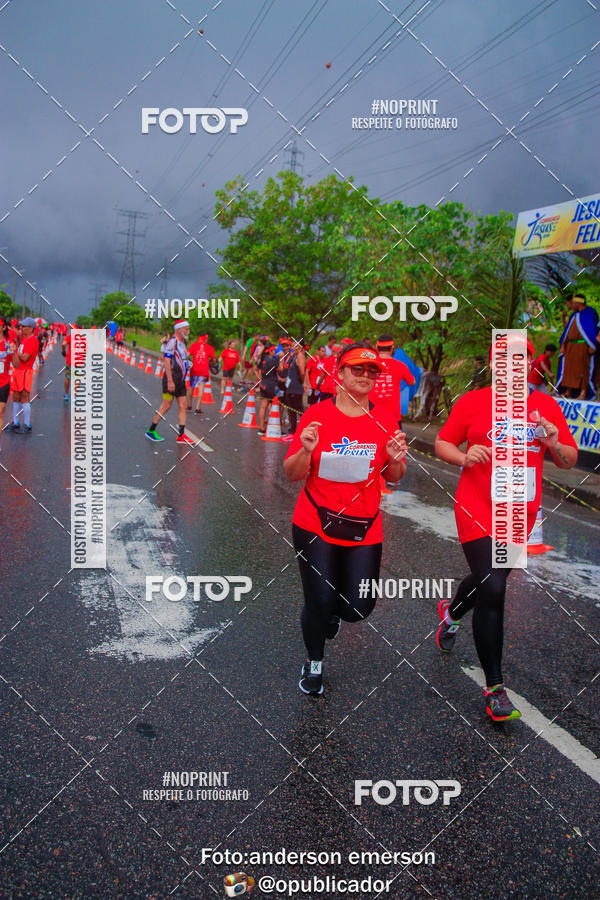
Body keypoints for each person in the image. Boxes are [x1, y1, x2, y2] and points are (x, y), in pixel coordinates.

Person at [434, 335, 578, 722]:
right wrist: (464, 456)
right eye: (503, 359)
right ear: (493, 364)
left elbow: (568, 459)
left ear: (529, 365)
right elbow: (443, 442)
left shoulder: (545, 407)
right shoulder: (473, 402)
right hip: (477, 506)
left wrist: (553, 442)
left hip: (518, 515)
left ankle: (451, 613)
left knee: (488, 581)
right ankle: (495, 689)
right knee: (494, 587)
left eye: (519, 359)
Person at [284, 343, 408, 696]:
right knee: (318, 599)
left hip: (364, 525)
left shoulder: (386, 419)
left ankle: (333, 612)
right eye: (358, 369)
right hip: (314, 520)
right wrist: (306, 450)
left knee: (358, 607)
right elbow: (292, 473)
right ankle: (314, 663)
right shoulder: (317, 415)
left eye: (372, 371)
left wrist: (395, 458)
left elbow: (395, 476)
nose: (366, 376)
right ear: (339, 373)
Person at [145, 320, 194, 444]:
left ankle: (181, 436)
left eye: (188, 329)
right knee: (166, 405)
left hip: (181, 380)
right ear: (179, 330)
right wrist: (170, 381)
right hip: (171, 379)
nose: (188, 331)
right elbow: (167, 361)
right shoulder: (173, 342)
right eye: (186, 329)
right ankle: (151, 431)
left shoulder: (182, 343)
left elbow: (180, 359)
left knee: (183, 405)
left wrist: (187, 363)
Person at [556, 293, 599, 399]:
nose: (572, 305)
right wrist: (563, 345)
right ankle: (568, 391)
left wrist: (592, 344)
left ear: (578, 302)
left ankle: (583, 393)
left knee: (583, 369)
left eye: (573, 302)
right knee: (569, 369)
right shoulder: (574, 315)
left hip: (583, 345)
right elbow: (567, 331)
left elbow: (592, 331)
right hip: (571, 346)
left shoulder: (590, 313)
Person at [370, 335, 416, 427]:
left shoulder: (370, 364)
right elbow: (412, 382)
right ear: (392, 348)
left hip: (371, 415)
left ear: (377, 347)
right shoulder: (400, 366)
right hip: (393, 417)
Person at [8, 317, 39, 433]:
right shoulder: (24, 340)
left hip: (26, 371)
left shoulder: (32, 340)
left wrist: (16, 351)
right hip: (18, 371)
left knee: (24, 397)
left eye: (25, 326)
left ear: (31, 328)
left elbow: (25, 357)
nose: (22, 328)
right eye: (22, 326)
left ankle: (27, 424)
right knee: (16, 396)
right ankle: (15, 422)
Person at [280, 339, 306, 440]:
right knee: (291, 411)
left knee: (298, 410)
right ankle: (293, 432)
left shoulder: (300, 356)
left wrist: (300, 383)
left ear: (300, 348)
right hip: (290, 387)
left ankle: (298, 432)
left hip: (295, 388)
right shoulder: (293, 357)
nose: (293, 348)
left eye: (296, 346)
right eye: (293, 346)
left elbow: (302, 373)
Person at [187, 333, 215, 414]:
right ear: (205, 339)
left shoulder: (193, 345)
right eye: (206, 338)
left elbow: (187, 355)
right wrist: (211, 363)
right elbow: (214, 359)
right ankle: (197, 408)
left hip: (194, 370)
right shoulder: (209, 347)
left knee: (191, 387)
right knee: (201, 389)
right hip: (203, 371)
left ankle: (189, 405)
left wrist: (189, 361)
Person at [0, 318, 16, 446]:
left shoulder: (8, 344)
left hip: (3, 383)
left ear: (3, 327)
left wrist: (14, 352)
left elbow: (16, 364)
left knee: (0, 414)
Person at [257, 342, 279, 435]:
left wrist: (260, 379)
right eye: (274, 350)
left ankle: (261, 428)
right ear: (270, 351)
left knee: (263, 406)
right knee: (274, 406)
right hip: (271, 385)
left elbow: (256, 368)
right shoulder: (271, 361)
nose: (275, 352)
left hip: (263, 384)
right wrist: (279, 358)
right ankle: (274, 427)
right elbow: (280, 369)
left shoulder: (263, 360)